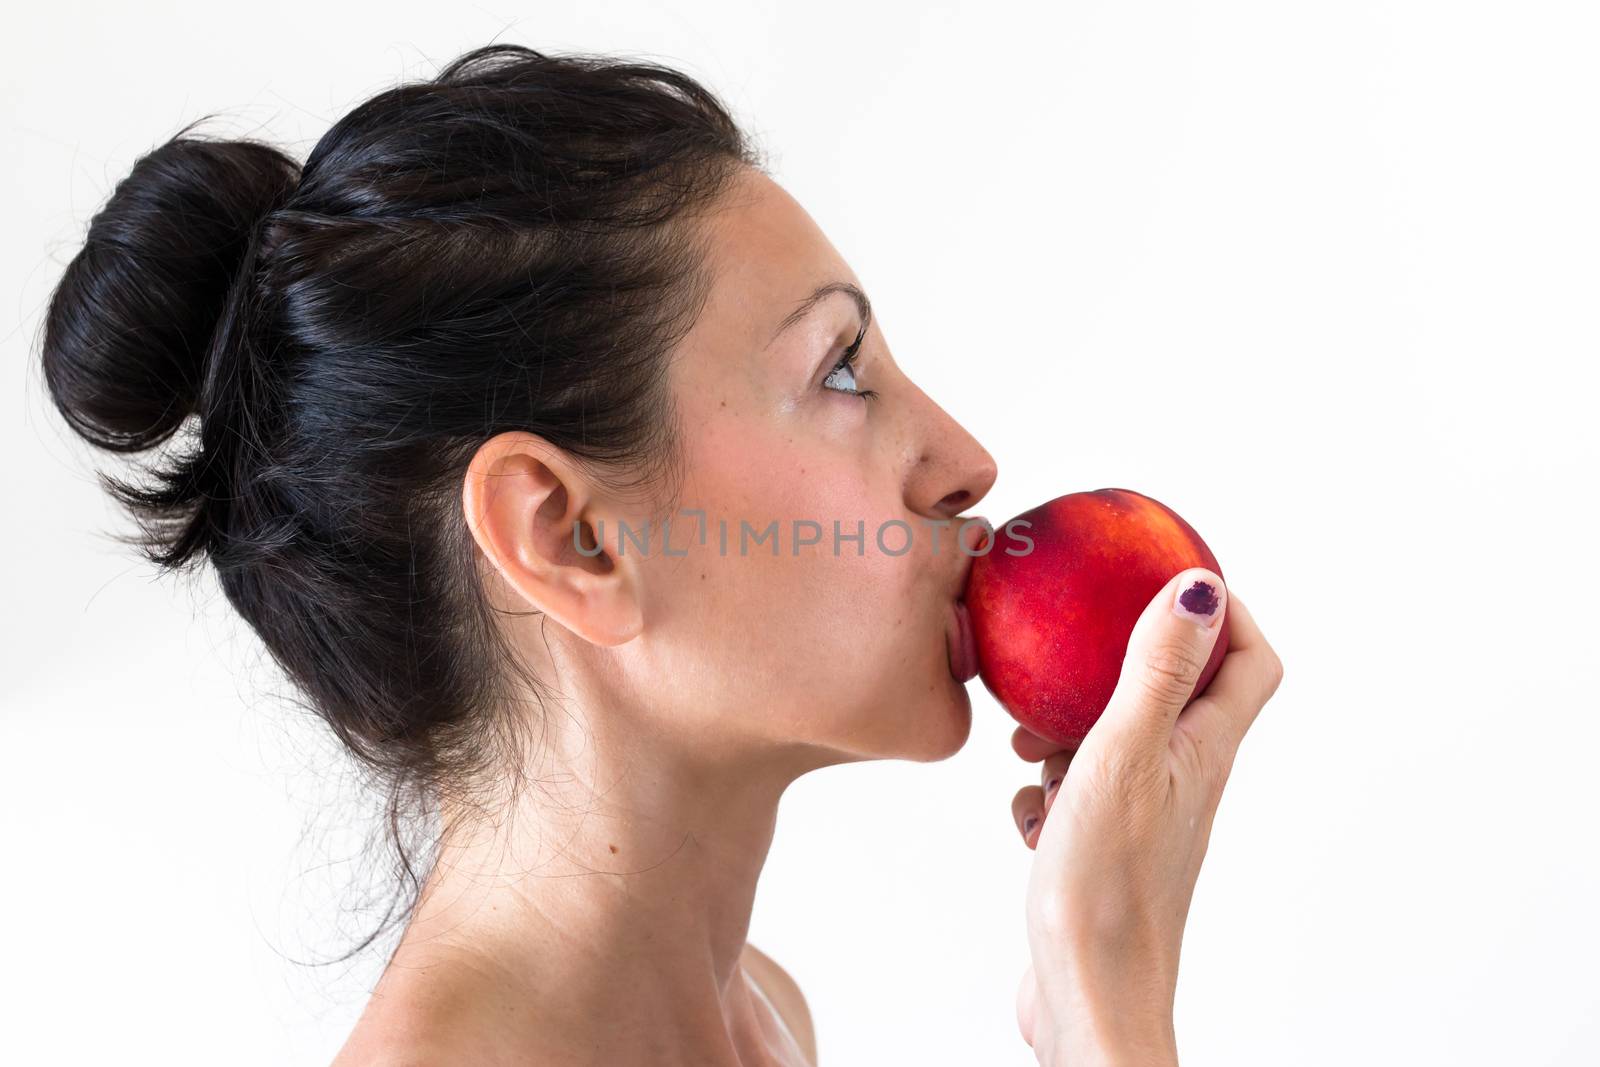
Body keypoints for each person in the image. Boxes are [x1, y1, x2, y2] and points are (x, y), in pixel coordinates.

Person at [39, 42, 1282, 1066]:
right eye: (840, 370)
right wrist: (1109, 1010)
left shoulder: (759, 1020)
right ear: (567, 536)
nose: (966, 460)